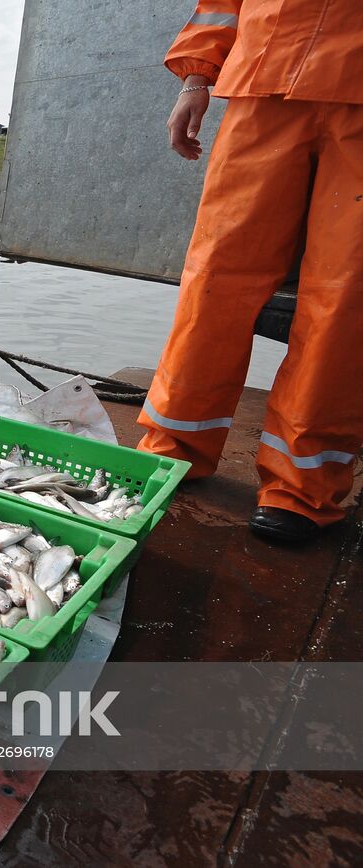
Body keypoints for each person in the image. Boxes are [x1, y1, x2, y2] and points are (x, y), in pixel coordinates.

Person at [137, 2, 363, 543]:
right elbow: (222, 5)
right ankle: (173, 449)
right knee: (214, 277)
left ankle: (301, 488)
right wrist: (195, 79)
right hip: (263, 79)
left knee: (344, 296)